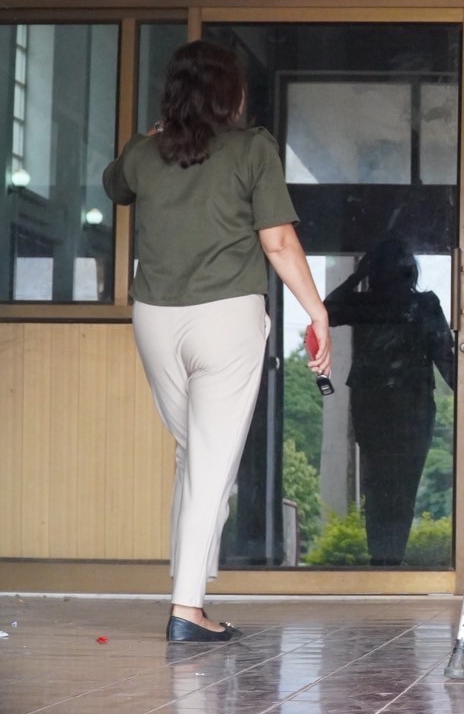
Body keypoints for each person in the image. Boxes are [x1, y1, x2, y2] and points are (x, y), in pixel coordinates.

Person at [103, 41, 332, 643]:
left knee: (193, 453)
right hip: (226, 318)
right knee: (209, 461)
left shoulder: (144, 153)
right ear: (232, 94)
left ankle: (194, 586)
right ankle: (186, 608)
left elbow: (114, 186)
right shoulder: (252, 147)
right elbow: (278, 241)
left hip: (156, 318)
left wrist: (148, 137)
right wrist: (317, 312)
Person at [325, 236, 455, 565]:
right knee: (399, 483)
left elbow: (328, 310)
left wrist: (358, 275)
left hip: (382, 402)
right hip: (404, 403)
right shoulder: (417, 304)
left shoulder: (374, 304)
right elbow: (445, 357)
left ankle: (384, 556)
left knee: (380, 483)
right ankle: (388, 556)